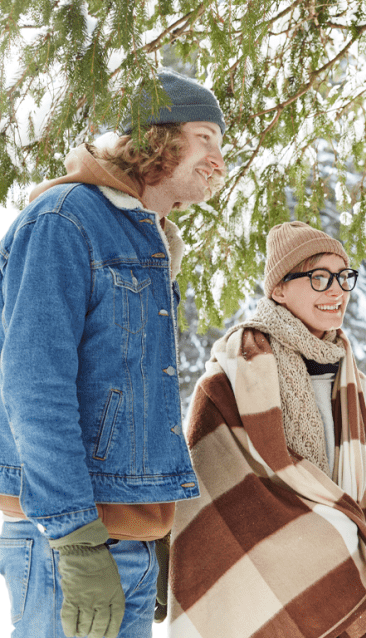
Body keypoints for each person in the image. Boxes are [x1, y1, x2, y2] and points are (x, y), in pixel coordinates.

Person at [0, 68, 226, 638]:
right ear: (158, 137)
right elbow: (34, 386)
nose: (218, 160)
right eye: (206, 138)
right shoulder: (65, 219)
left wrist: (153, 525)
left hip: (127, 540)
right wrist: (76, 538)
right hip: (65, 541)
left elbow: (128, 394)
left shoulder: (145, 239)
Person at [167, 221, 366, 638]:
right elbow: (214, 504)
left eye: (343, 277)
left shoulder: (356, 384)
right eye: (318, 278)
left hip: (357, 590)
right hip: (271, 591)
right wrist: (328, 534)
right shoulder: (231, 379)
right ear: (279, 288)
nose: (337, 291)